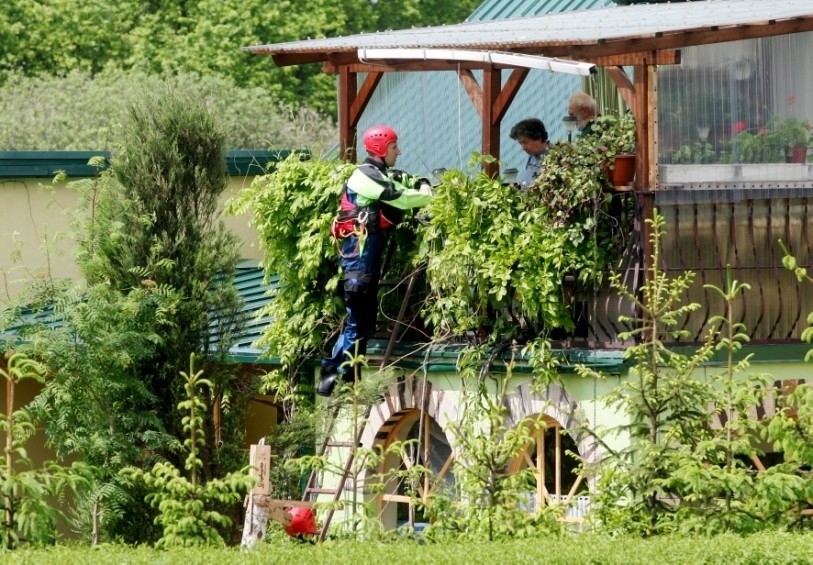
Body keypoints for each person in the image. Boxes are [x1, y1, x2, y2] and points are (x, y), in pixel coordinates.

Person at [318, 125, 433, 396]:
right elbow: (399, 197)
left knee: (366, 324)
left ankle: (348, 376)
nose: (399, 151)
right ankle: (331, 371)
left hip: (367, 263)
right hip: (357, 264)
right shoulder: (364, 176)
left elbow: (405, 180)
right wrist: (428, 195)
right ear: (381, 149)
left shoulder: (381, 173)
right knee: (358, 322)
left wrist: (423, 183)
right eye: (395, 147)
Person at [508, 118, 549, 189]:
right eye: (520, 143)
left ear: (538, 137)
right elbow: (527, 182)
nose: (523, 147)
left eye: (525, 142)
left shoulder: (554, 157)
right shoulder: (532, 156)